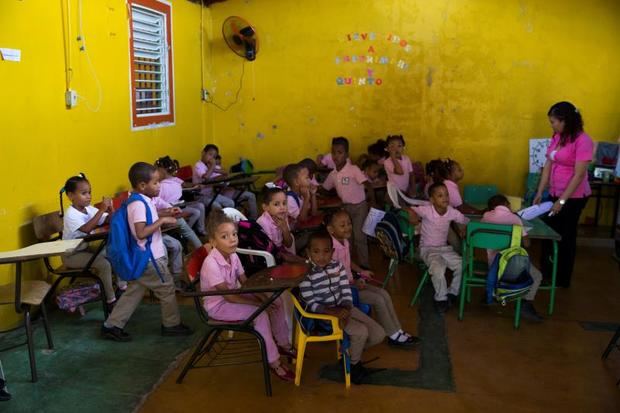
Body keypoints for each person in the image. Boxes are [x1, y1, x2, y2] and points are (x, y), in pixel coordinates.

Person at [200, 209, 295, 382]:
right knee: (260, 315)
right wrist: (259, 305)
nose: (232, 239)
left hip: (233, 296)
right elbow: (228, 297)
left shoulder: (233, 255)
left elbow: (245, 283)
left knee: (276, 302)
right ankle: (274, 362)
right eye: (224, 236)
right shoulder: (211, 264)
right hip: (218, 306)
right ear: (213, 241)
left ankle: (283, 344)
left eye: (234, 234)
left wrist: (263, 298)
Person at [102, 162, 193, 341]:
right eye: (156, 183)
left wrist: (165, 212)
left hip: (145, 257)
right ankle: (171, 325)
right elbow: (141, 232)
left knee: (135, 289)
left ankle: (112, 325)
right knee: (167, 289)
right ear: (142, 185)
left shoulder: (143, 201)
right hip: (149, 257)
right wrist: (163, 220)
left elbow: (148, 218)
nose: (159, 186)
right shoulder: (138, 205)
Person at [299, 231, 385, 384]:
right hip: (326, 317)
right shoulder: (306, 274)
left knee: (379, 334)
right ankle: (354, 366)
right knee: (361, 331)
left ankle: (348, 353)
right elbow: (310, 303)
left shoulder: (337, 266)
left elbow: (346, 289)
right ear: (308, 252)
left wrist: (346, 306)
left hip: (345, 308)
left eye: (326, 251)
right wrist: (333, 312)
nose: (321, 256)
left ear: (332, 252)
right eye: (316, 252)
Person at [326, 209, 419, 345]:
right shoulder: (331, 250)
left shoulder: (344, 241)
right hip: (345, 291)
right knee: (378, 299)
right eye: (342, 225)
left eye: (349, 223)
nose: (348, 227)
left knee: (384, 294)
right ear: (330, 229)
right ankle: (393, 335)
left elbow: (348, 262)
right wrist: (356, 281)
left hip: (352, 283)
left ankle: (397, 330)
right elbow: (333, 278)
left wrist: (361, 272)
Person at [534, 101, 594, 288]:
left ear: (565, 121)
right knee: (548, 233)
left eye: (553, 122)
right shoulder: (558, 137)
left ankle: (562, 279)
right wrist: (540, 191)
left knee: (565, 236)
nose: (551, 125)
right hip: (554, 193)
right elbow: (549, 164)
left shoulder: (583, 141)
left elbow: (579, 175)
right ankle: (546, 273)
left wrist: (561, 200)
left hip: (574, 198)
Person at [407, 182, 469, 313]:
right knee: (438, 269)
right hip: (428, 249)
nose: (445, 198)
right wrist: (411, 213)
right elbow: (410, 209)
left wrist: (463, 227)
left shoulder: (451, 212)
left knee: (462, 264)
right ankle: (441, 298)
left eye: (446, 194)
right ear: (431, 200)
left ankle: (452, 292)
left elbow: (464, 220)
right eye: (440, 195)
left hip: (444, 248)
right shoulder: (427, 210)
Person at [61, 173, 120, 309]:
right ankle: (111, 301)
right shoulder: (71, 214)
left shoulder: (88, 209)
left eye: (89, 192)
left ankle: (122, 288)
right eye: (84, 193)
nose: (89, 196)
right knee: (103, 264)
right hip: (71, 255)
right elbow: (87, 229)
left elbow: (109, 219)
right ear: (70, 196)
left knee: (114, 252)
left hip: (86, 249)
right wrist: (102, 209)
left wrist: (110, 209)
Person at [481, 195, 543, 322]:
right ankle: (526, 304)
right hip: (510, 268)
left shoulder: (486, 216)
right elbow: (527, 244)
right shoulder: (514, 218)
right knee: (537, 276)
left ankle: (494, 293)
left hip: (492, 264)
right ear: (506, 204)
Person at [322, 137, 372, 268]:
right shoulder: (333, 173)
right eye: (333, 152)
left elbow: (368, 185)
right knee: (346, 238)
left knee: (360, 237)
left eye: (340, 152)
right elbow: (324, 189)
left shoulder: (353, 169)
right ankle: (348, 265)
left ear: (347, 154)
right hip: (345, 209)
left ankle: (364, 266)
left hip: (359, 207)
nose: (335, 156)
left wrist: (372, 203)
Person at [156, 155, 206, 238]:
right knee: (196, 212)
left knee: (200, 206)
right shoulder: (159, 185)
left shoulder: (175, 179)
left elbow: (186, 184)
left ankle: (200, 229)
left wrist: (196, 185)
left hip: (180, 205)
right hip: (171, 209)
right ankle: (184, 234)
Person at [257, 184, 305, 263]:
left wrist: (284, 228)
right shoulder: (263, 222)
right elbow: (270, 249)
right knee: (299, 261)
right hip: (269, 256)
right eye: (276, 204)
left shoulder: (283, 216)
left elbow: (289, 244)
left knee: (301, 261)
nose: (282, 207)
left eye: (284, 203)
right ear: (266, 207)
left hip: (280, 250)